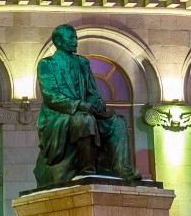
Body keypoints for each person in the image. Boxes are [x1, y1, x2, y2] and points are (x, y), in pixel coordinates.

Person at [35, 24, 137, 187]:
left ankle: (121, 168)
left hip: (86, 111)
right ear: (59, 41)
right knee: (84, 120)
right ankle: (87, 171)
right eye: (71, 38)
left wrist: (97, 102)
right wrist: (80, 105)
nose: (75, 41)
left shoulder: (82, 63)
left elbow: (92, 91)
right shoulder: (47, 64)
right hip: (58, 116)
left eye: (76, 37)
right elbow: (51, 96)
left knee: (118, 121)